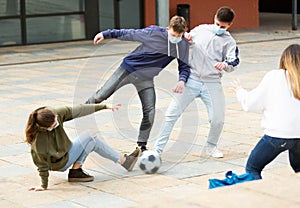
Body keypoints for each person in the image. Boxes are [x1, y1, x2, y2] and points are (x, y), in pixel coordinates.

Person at [85, 16, 191, 155]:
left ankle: (142, 145)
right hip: (127, 69)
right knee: (101, 95)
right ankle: (77, 112)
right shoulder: (153, 33)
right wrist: (105, 34)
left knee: (150, 112)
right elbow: (128, 33)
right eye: (173, 34)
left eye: (179, 35)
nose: (175, 38)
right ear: (167, 29)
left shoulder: (182, 45)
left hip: (146, 79)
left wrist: (182, 80)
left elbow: (184, 66)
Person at [154, 7, 239, 158]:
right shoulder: (201, 30)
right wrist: (186, 38)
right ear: (214, 18)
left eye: (223, 27)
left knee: (217, 119)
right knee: (171, 114)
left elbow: (234, 61)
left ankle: (211, 146)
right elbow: (186, 39)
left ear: (229, 25)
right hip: (191, 80)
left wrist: (225, 65)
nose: (219, 28)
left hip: (212, 83)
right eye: (218, 24)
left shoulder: (229, 42)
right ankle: (157, 150)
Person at [26, 103, 138, 191]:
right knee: (90, 134)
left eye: (56, 120)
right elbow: (41, 164)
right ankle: (123, 161)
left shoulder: (55, 113)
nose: (57, 123)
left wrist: (105, 106)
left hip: (66, 151)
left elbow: (80, 109)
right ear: (44, 127)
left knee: (93, 142)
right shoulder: (38, 141)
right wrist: (43, 185)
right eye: (54, 125)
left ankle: (123, 162)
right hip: (60, 163)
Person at [232, 44, 300, 179]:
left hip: (277, 135)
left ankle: (260, 198)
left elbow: (252, 103)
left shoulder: (275, 76)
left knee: (253, 168)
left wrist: (240, 91)